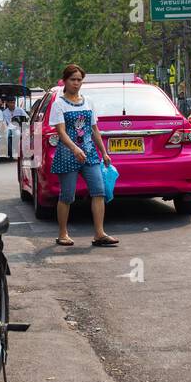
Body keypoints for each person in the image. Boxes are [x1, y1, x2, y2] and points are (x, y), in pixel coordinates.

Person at [50, 63, 118, 247]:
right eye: (73, 79)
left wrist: (104, 152)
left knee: (99, 191)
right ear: (65, 81)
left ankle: (99, 233)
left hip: (90, 153)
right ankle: (63, 233)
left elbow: (94, 129)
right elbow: (61, 132)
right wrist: (74, 148)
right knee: (67, 196)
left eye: (79, 80)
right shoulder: (58, 104)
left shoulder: (88, 102)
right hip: (67, 154)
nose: (76, 83)